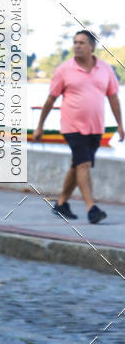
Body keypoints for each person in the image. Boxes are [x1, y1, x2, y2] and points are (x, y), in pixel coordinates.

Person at [33, 30, 124, 223]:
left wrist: (119, 124)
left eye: (82, 43)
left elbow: (113, 98)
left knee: (77, 166)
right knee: (84, 164)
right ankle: (92, 208)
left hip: (96, 128)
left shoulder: (106, 70)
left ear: (92, 46)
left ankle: (61, 204)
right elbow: (51, 99)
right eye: (75, 42)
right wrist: (40, 125)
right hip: (72, 126)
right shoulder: (64, 70)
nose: (77, 46)